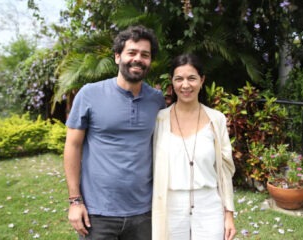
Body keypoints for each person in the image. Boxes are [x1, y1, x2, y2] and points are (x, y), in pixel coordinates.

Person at [63, 25, 166, 240]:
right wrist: (75, 201)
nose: (138, 59)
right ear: (118, 57)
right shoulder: (90, 94)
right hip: (97, 213)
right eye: (132, 53)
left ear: (150, 61)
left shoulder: (157, 100)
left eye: (144, 55)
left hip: (144, 212)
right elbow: (72, 145)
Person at [152, 53, 237, 240]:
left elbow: (224, 171)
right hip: (170, 204)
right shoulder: (159, 120)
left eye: (192, 78)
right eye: (179, 79)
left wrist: (229, 214)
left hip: (209, 204)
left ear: (202, 80)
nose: (185, 85)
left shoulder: (217, 120)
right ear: (172, 83)